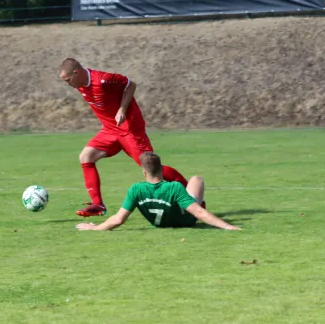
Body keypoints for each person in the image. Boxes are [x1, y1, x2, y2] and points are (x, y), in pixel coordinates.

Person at [59, 58, 188, 217]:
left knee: (149, 166)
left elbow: (130, 85)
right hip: (110, 131)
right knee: (86, 156)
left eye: (67, 79)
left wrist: (121, 110)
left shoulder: (103, 80)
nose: (67, 83)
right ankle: (98, 204)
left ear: (76, 73)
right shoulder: (80, 85)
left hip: (130, 130)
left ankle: (192, 195)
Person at [76, 152, 241, 231]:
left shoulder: (136, 189)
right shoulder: (174, 187)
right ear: (162, 170)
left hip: (159, 223)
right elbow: (199, 213)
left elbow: (118, 219)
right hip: (185, 221)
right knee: (196, 180)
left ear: (143, 172)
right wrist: (227, 226)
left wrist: (95, 228)